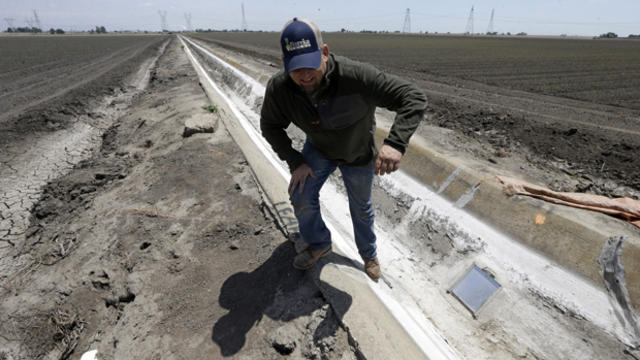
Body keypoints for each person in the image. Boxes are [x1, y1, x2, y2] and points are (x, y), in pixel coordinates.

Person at [260, 17, 427, 281]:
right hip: (319, 150)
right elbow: (270, 126)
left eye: (311, 66)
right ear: (285, 63)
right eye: (296, 69)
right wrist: (295, 161)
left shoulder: (355, 77)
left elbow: (413, 97)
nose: (304, 76)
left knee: (361, 208)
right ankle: (318, 243)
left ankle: (368, 254)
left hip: (357, 152)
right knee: (300, 194)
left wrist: (395, 143)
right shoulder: (281, 89)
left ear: (324, 53)